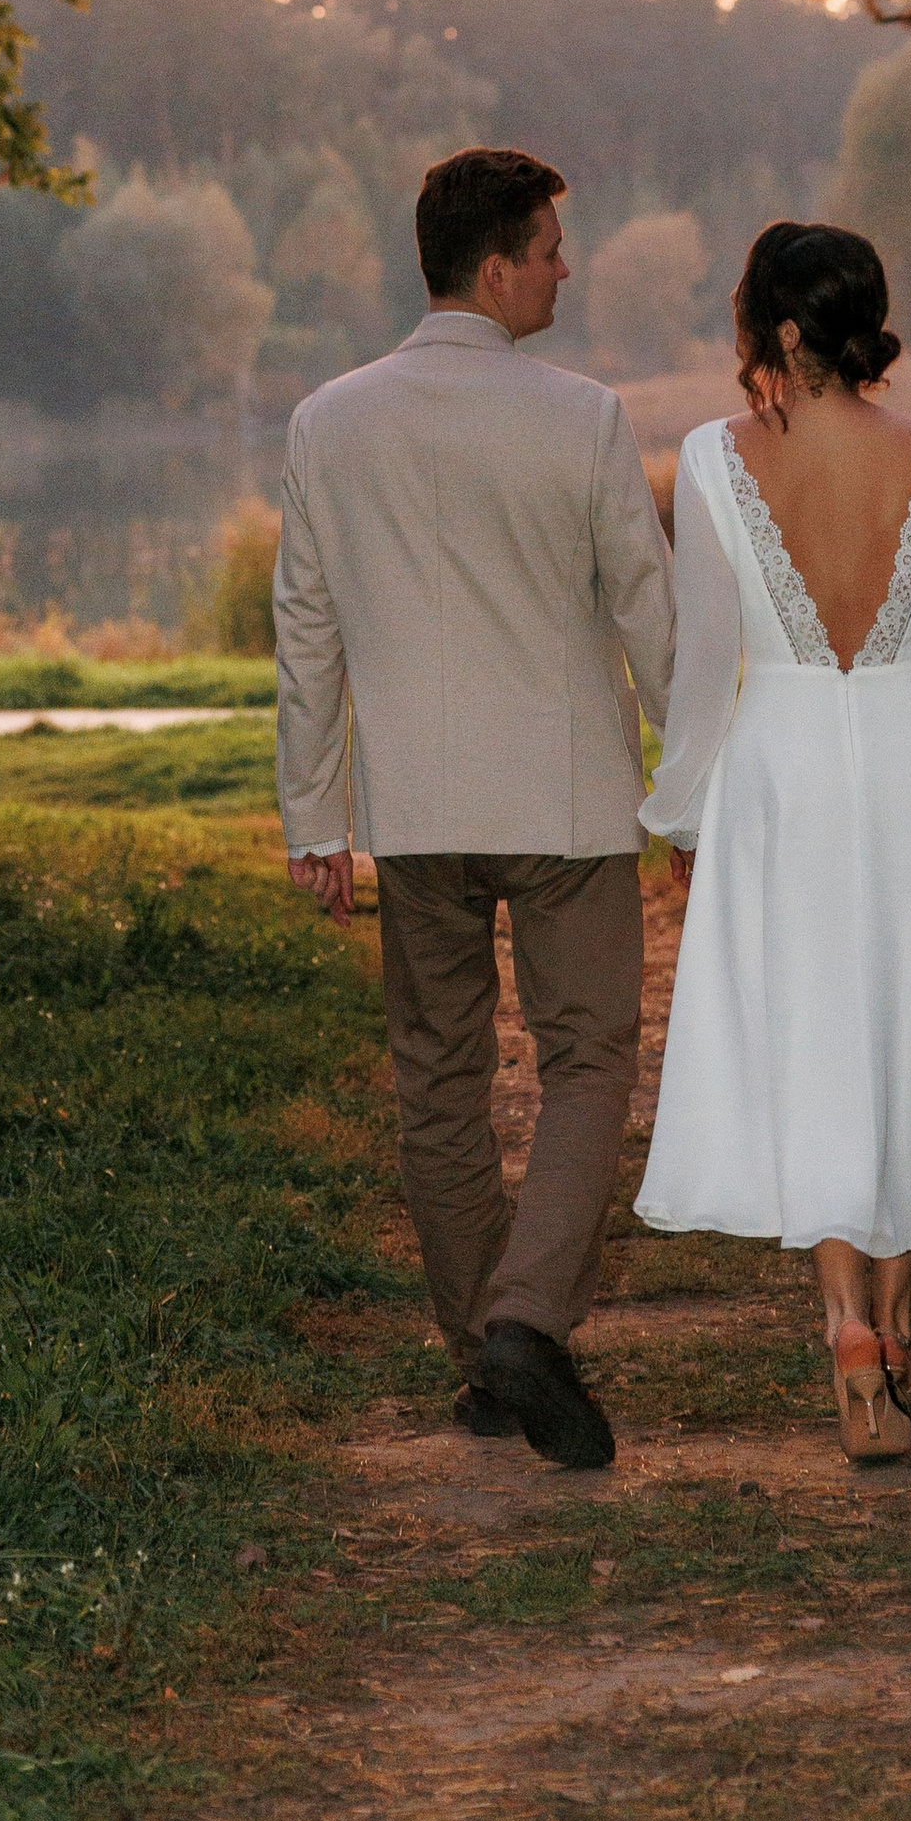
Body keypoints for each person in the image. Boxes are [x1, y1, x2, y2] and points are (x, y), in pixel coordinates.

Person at [637, 218, 911, 1463]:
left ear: (778, 328)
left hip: (779, 773)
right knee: (909, 1028)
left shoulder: (716, 463)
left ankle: (841, 1323)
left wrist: (680, 810)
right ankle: (893, 1326)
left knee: (821, 1040)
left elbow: (706, 664)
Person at [272, 145, 675, 1469]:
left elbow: (308, 630)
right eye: (553, 247)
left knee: (437, 1074)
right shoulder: (583, 414)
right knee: (588, 1059)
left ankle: (486, 1355)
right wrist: (702, 771)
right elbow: (644, 607)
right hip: (563, 800)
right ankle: (524, 1323)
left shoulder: (331, 419)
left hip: (416, 803)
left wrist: (314, 816)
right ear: (497, 267)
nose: (566, 266)